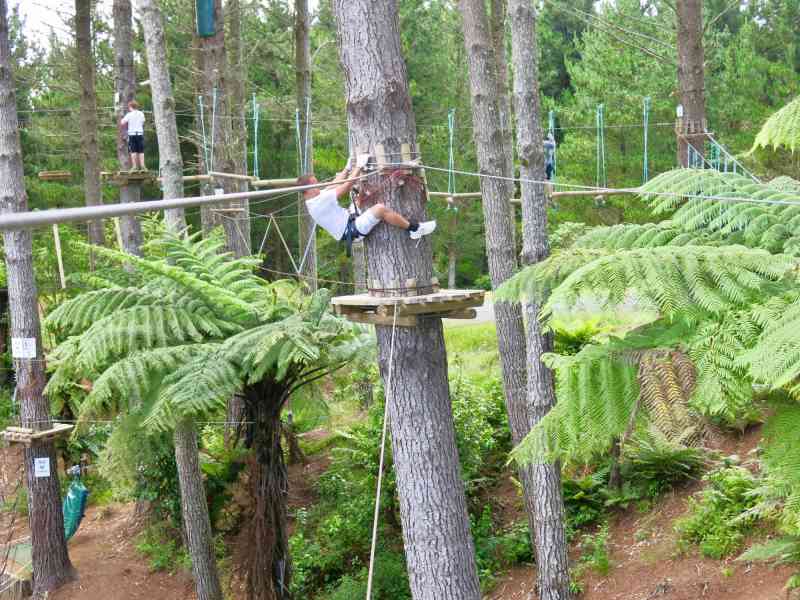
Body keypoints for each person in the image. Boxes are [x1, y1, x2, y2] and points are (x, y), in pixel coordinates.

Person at [298, 157, 437, 252]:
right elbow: (345, 187)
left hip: (349, 217)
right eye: (316, 183)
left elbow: (334, 183)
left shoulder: (314, 198)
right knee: (380, 209)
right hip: (350, 231)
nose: (319, 185)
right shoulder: (318, 203)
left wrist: (347, 168)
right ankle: (414, 229)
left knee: (362, 195)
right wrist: (358, 166)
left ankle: (411, 227)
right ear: (309, 189)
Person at [119, 100, 146, 171]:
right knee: (141, 151)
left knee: (133, 151)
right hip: (140, 134)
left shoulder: (129, 114)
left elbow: (122, 122)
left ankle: (134, 166)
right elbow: (143, 122)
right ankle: (142, 166)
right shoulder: (141, 114)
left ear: (130, 107)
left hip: (132, 134)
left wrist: (122, 117)